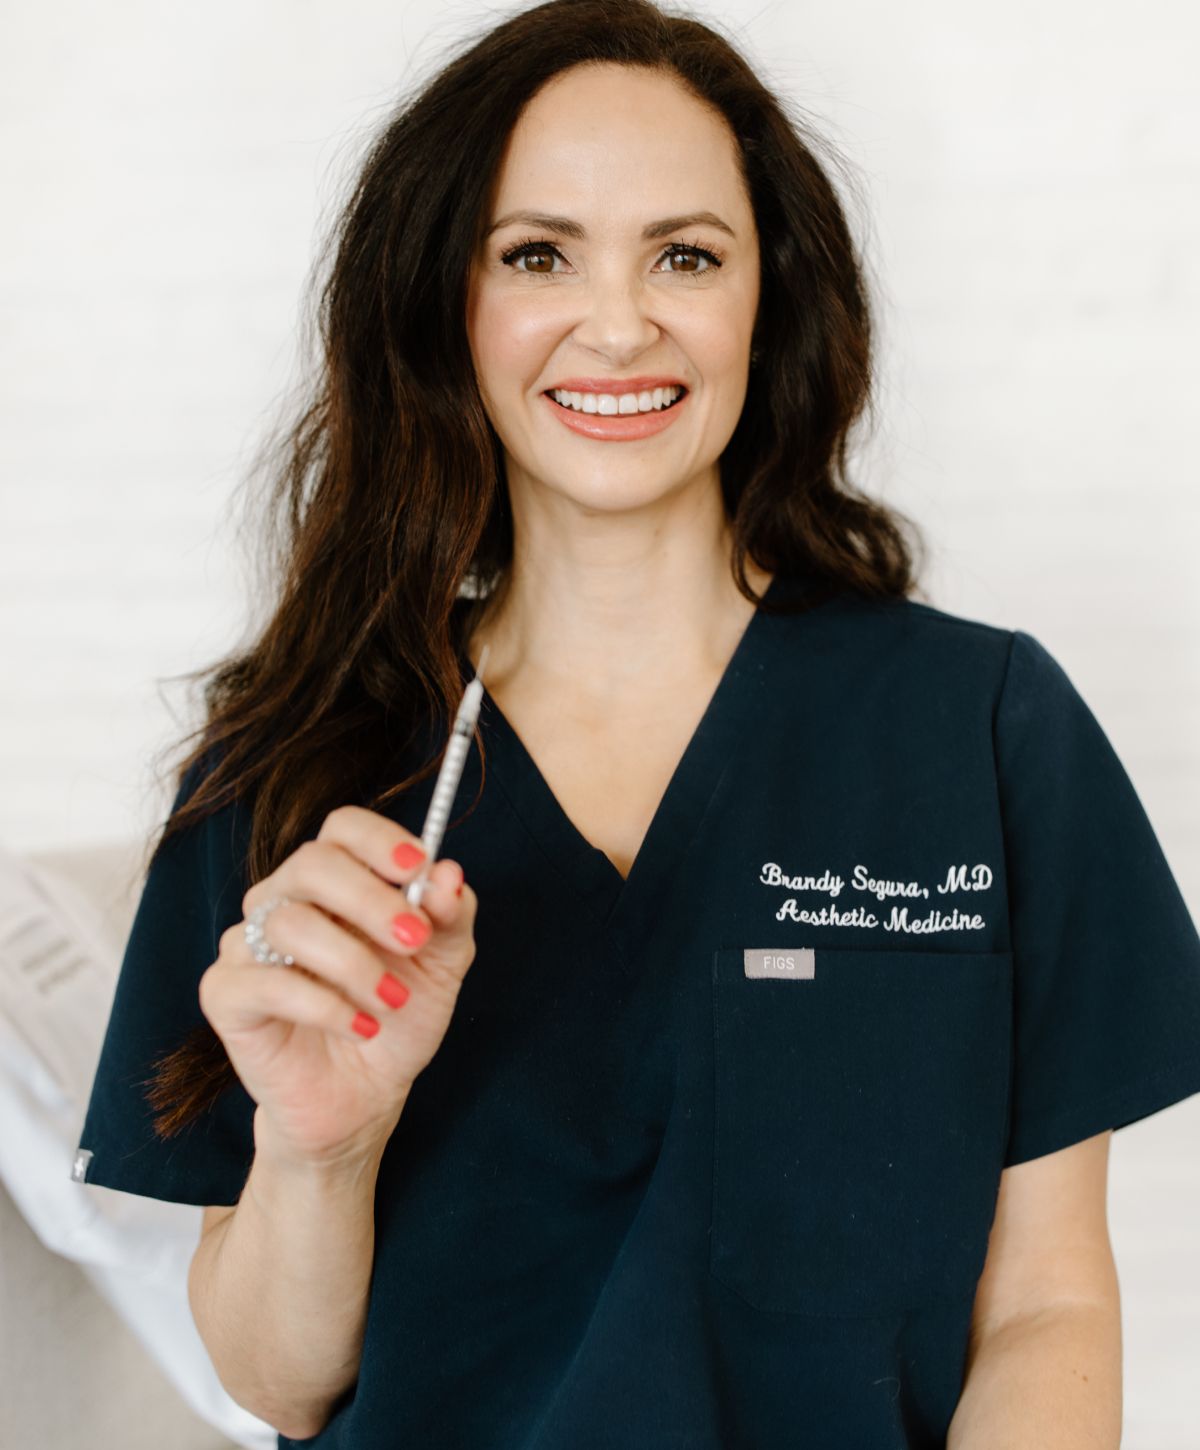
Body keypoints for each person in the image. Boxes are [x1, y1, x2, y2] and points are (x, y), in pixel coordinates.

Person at [73, 1, 1200, 1445]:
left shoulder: (981, 729)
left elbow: (1048, 1302)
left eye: (686, 255)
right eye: (537, 254)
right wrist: (322, 1146)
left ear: (767, 299)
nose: (619, 322)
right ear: (446, 303)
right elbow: (276, 1377)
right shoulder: (299, 775)